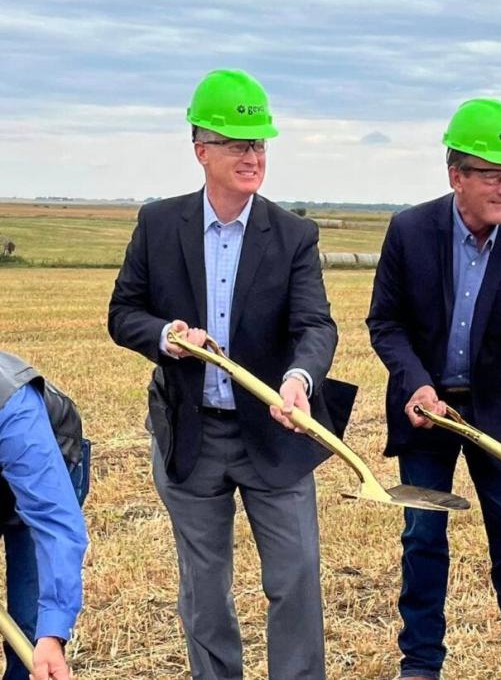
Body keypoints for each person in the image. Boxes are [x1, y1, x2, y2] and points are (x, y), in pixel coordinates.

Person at [108, 69, 340, 679]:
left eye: (259, 144)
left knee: (294, 580)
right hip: (192, 435)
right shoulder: (159, 225)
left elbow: (317, 326)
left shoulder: (293, 235)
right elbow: (123, 313)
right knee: (204, 589)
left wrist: (298, 380)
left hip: (274, 435)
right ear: (200, 149)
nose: (252, 156)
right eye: (238, 143)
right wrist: (166, 337)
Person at [367, 99, 501, 680]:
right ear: (456, 176)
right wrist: (419, 385)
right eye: (494, 176)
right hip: (427, 410)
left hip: (498, 412)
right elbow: (386, 323)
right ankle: (420, 665)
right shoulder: (409, 231)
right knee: (423, 535)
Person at [0, 353, 89, 680]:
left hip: (46, 479)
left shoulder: (11, 406)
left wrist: (52, 635)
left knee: (30, 623)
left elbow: (55, 523)